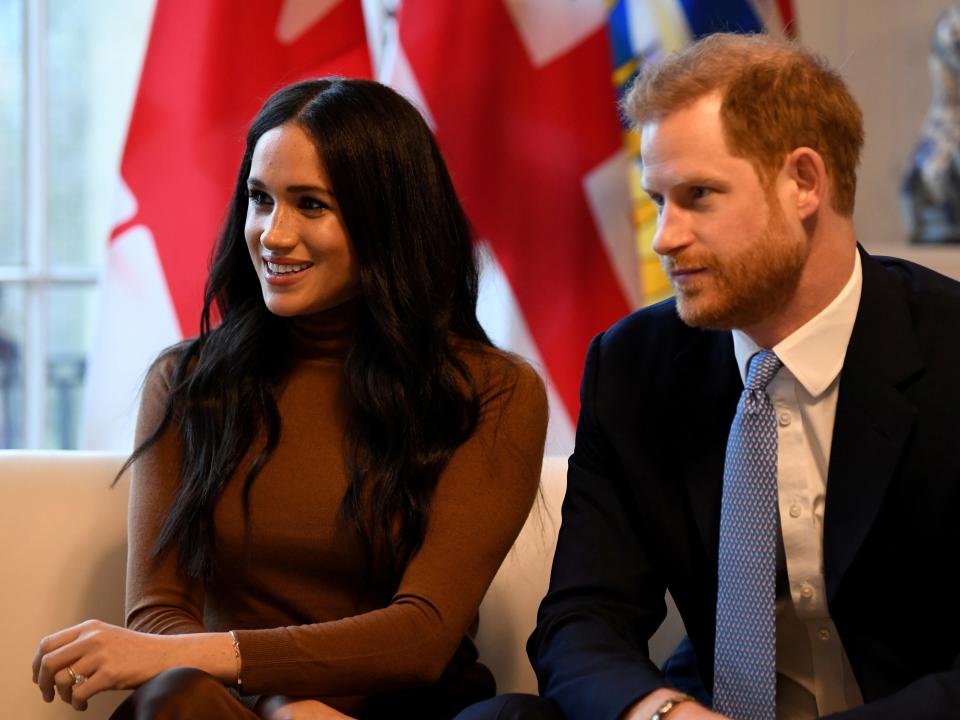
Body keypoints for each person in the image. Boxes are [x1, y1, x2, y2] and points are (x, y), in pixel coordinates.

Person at [463, 32, 960, 720]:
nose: (664, 236)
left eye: (698, 196)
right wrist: (661, 713)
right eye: (658, 200)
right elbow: (584, 617)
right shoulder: (633, 365)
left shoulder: (948, 347)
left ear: (805, 183)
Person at [31, 78, 548, 719]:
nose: (272, 235)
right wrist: (281, 702)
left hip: (415, 710)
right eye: (259, 199)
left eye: (310, 204)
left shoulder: (493, 391)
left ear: (389, 218)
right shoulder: (189, 383)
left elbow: (423, 634)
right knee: (174, 696)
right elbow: (158, 616)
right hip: (237, 710)